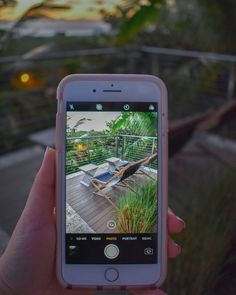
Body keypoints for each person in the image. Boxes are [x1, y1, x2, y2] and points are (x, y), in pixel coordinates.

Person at [0, 148, 185, 295]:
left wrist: (9, 290)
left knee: (100, 179)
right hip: (123, 176)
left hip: (110, 182)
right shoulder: (136, 166)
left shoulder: (110, 177)